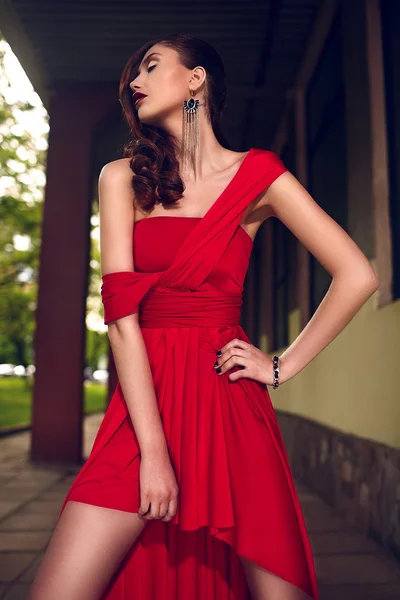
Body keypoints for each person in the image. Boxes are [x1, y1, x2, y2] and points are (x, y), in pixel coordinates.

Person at [28, 33, 378, 600]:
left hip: (228, 403)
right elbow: (122, 322)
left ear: (196, 80)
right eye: (131, 77)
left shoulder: (259, 176)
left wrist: (281, 365)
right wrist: (156, 453)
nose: (134, 82)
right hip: (144, 409)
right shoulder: (122, 179)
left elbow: (358, 275)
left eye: (150, 65)